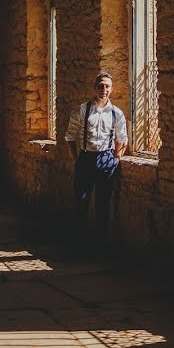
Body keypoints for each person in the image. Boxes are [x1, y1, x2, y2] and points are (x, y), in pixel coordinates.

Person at [65, 71, 128, 242]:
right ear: (95, 88)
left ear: (111, 89)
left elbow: (123, 139)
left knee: (103, 204)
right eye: (100, 86)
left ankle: (100, 244)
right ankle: (80, 242)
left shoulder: (116, 113)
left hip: (107, 160)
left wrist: (117, 158)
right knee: (81, 201)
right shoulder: (82, 110)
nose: (104, 89)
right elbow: (69, 137)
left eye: (107, 86)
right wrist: (76, 159)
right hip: (86, 158)